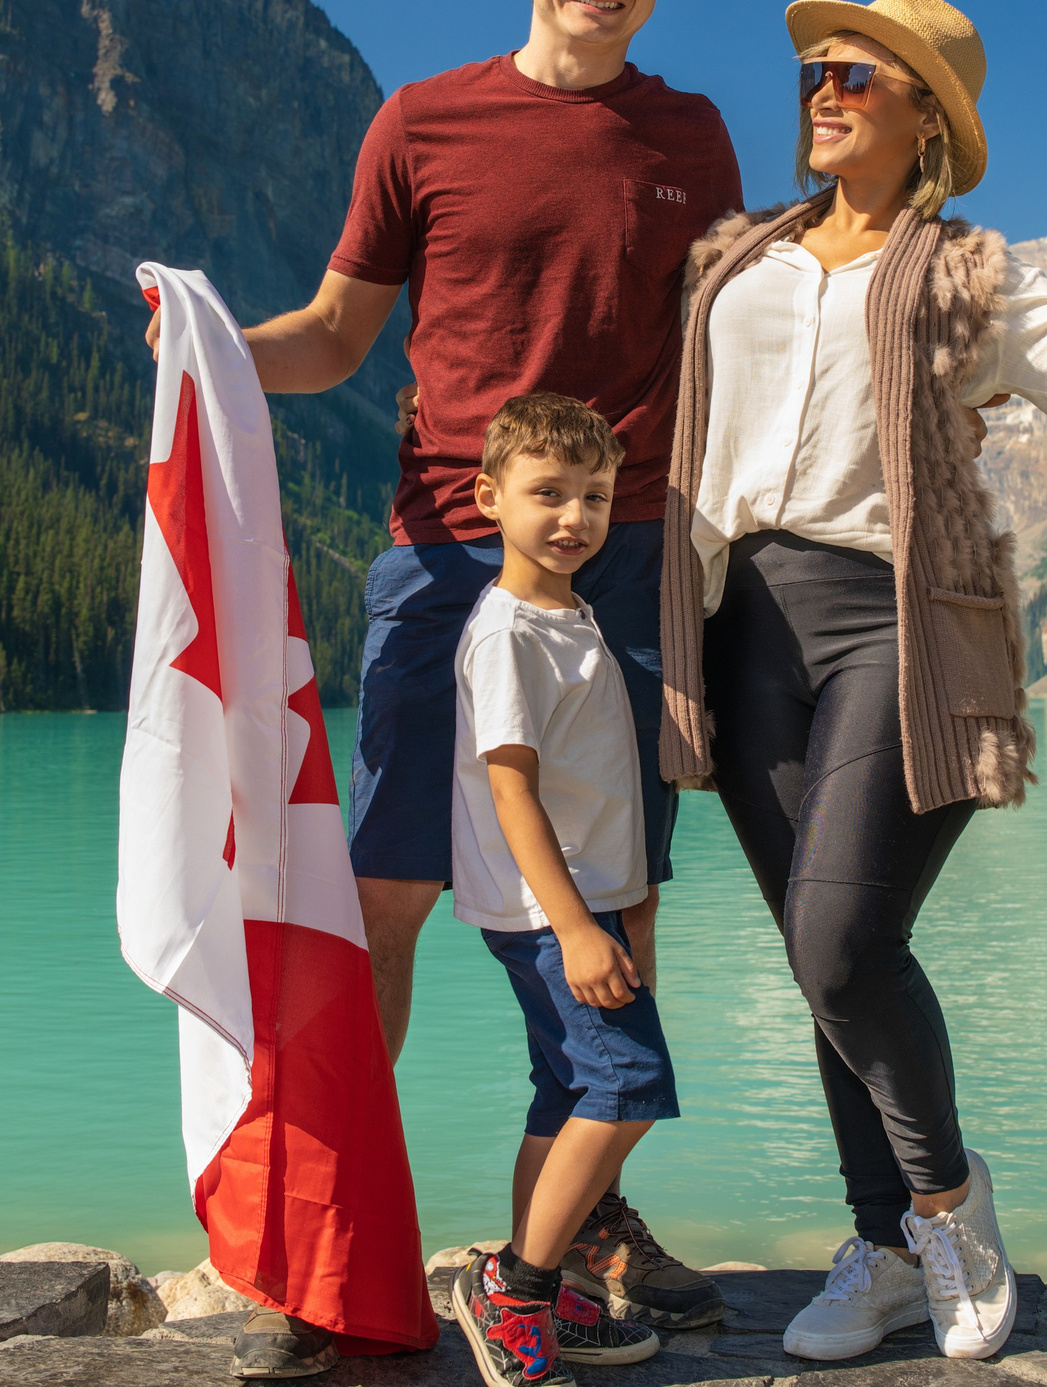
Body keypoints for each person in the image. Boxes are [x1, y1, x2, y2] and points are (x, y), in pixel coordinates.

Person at [161, 0, 740, 1374]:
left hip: (624, 563)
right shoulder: (426, 119)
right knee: (389, 895)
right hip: (446, 559)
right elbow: (340, 337)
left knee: (619, 899)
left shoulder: (691, 137)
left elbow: (726, 359)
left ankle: (585, 1221)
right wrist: (208, 345)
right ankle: (337, 1229)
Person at [657, 0, 1047, 1361]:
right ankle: (883, 1248)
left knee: (844, 937)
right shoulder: (734, 263)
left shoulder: (967, 270)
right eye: (811, 68)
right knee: (821, 959)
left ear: (925, 112)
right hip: (743, 626)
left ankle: (948, 1206)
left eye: (854, 70)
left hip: (899, 623)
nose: (821, 86)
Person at [445, 394, 677, 1387]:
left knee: (568, 1090)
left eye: (593, 496)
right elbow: (511, 791)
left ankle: (529, 1282)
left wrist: (624, 905)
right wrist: (579, 927)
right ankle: (517, 1290)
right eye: (547, 495)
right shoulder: (506, 633)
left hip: (581, 904)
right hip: (551, 913)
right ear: (489, 497)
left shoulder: (566, 612)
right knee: (626, 1087)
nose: (573, 517)